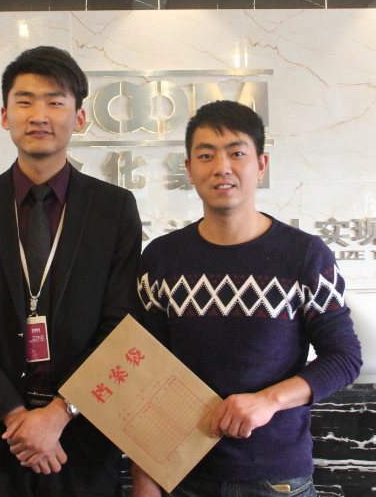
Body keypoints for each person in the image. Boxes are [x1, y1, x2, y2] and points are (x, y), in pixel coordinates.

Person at [0, 46, 142, 497]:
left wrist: (58, 415)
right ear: (4, 116)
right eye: (24, 101)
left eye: (55, 101)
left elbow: (120, 327)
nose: (39, 115)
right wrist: (16, 418)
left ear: (80, 118)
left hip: (82, 440)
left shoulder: (113, 209)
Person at [133, 101, 362, 497]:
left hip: (276, 479)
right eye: (206, 155)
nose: (222, 167)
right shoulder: (161, 258)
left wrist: (268, 401)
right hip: (181, 475)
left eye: (237, 153)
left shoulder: (305, 256)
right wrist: (144, 480)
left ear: (261, 165)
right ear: (189, 169)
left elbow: (344, 358)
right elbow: (143, 373)